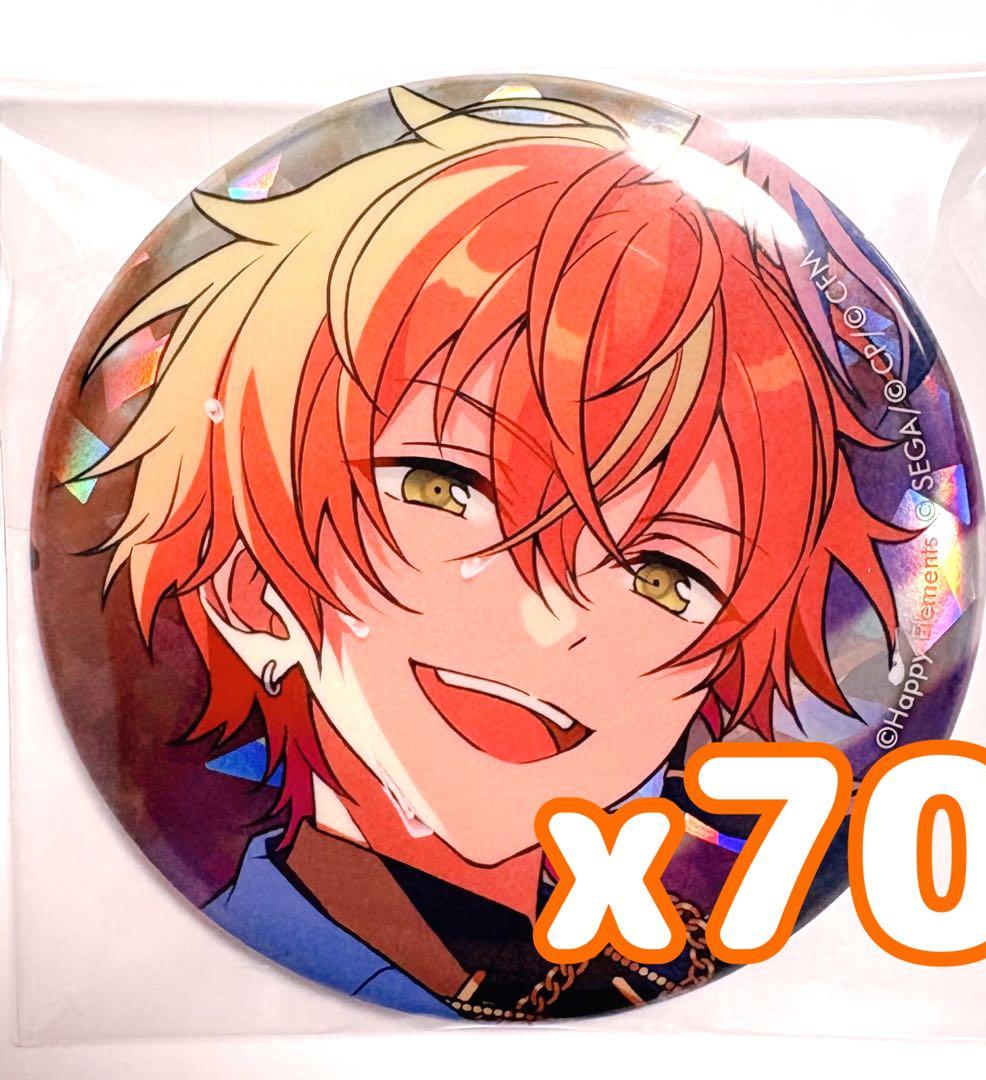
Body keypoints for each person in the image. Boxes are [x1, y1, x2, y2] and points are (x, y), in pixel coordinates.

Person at [81, 86, 908, 1019]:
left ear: (711, 680)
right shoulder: (204, 977)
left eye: (665, 575)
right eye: (446, 488)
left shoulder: (671, 947)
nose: (553, 621)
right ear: (250, 584)